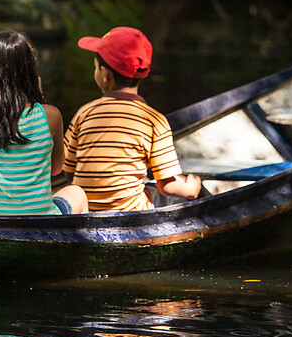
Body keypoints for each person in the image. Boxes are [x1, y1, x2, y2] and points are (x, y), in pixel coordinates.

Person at [0, 30, 87, 216]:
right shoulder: (51, 116)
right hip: (39, 225)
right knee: (77, 193)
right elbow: (56, 169)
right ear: (29, 71)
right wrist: (39, 100)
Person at [62, 26, 202, 212]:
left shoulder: (84, 113)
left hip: (84, 212)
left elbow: (68, 172)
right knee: (156, 191)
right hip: (129, 215)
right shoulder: (155, 121)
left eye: (95, 68)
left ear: (105, 75)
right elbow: (167, 186)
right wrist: (190, 189)